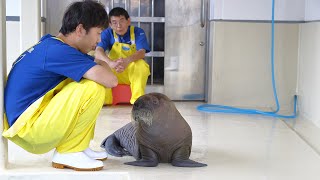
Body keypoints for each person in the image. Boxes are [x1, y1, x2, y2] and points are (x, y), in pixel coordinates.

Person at [3, 1, 117, 171]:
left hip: (28, 123)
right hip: (30, 130)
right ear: (80, 30)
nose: (99, 40)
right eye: (98, 33)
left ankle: (79, 145)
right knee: (93, 87)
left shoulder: (54, 45)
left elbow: (105, 73)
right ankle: (69, 151)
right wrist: (100, 60)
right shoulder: (60, 52)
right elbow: (111, 80)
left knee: (86, 80)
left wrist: (99, 61)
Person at [95, 7, 150, 105]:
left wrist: (126, 61)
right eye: (114, 22)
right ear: (110, 24)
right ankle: (105, 101)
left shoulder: (138, 32)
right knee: (100, 64)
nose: (119, 26)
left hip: (131, 73)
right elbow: (98, 51)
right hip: (113, 70)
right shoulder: (107, 33)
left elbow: (142, 52)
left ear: (128, 21)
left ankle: (137, 101)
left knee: (141, 65)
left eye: (122, 21)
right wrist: (110, 63)